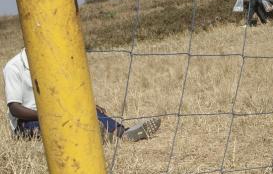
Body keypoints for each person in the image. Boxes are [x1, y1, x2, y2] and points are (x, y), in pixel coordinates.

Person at [4, 48, 161, 141]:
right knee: (66, 124)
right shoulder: (13, 67)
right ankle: (99, 136)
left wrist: (87, 105)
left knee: (86, 112)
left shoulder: (47, 63)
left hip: (55, 113)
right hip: (25, 125)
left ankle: (123, 133)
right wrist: (49, 115)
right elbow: (15, 109)